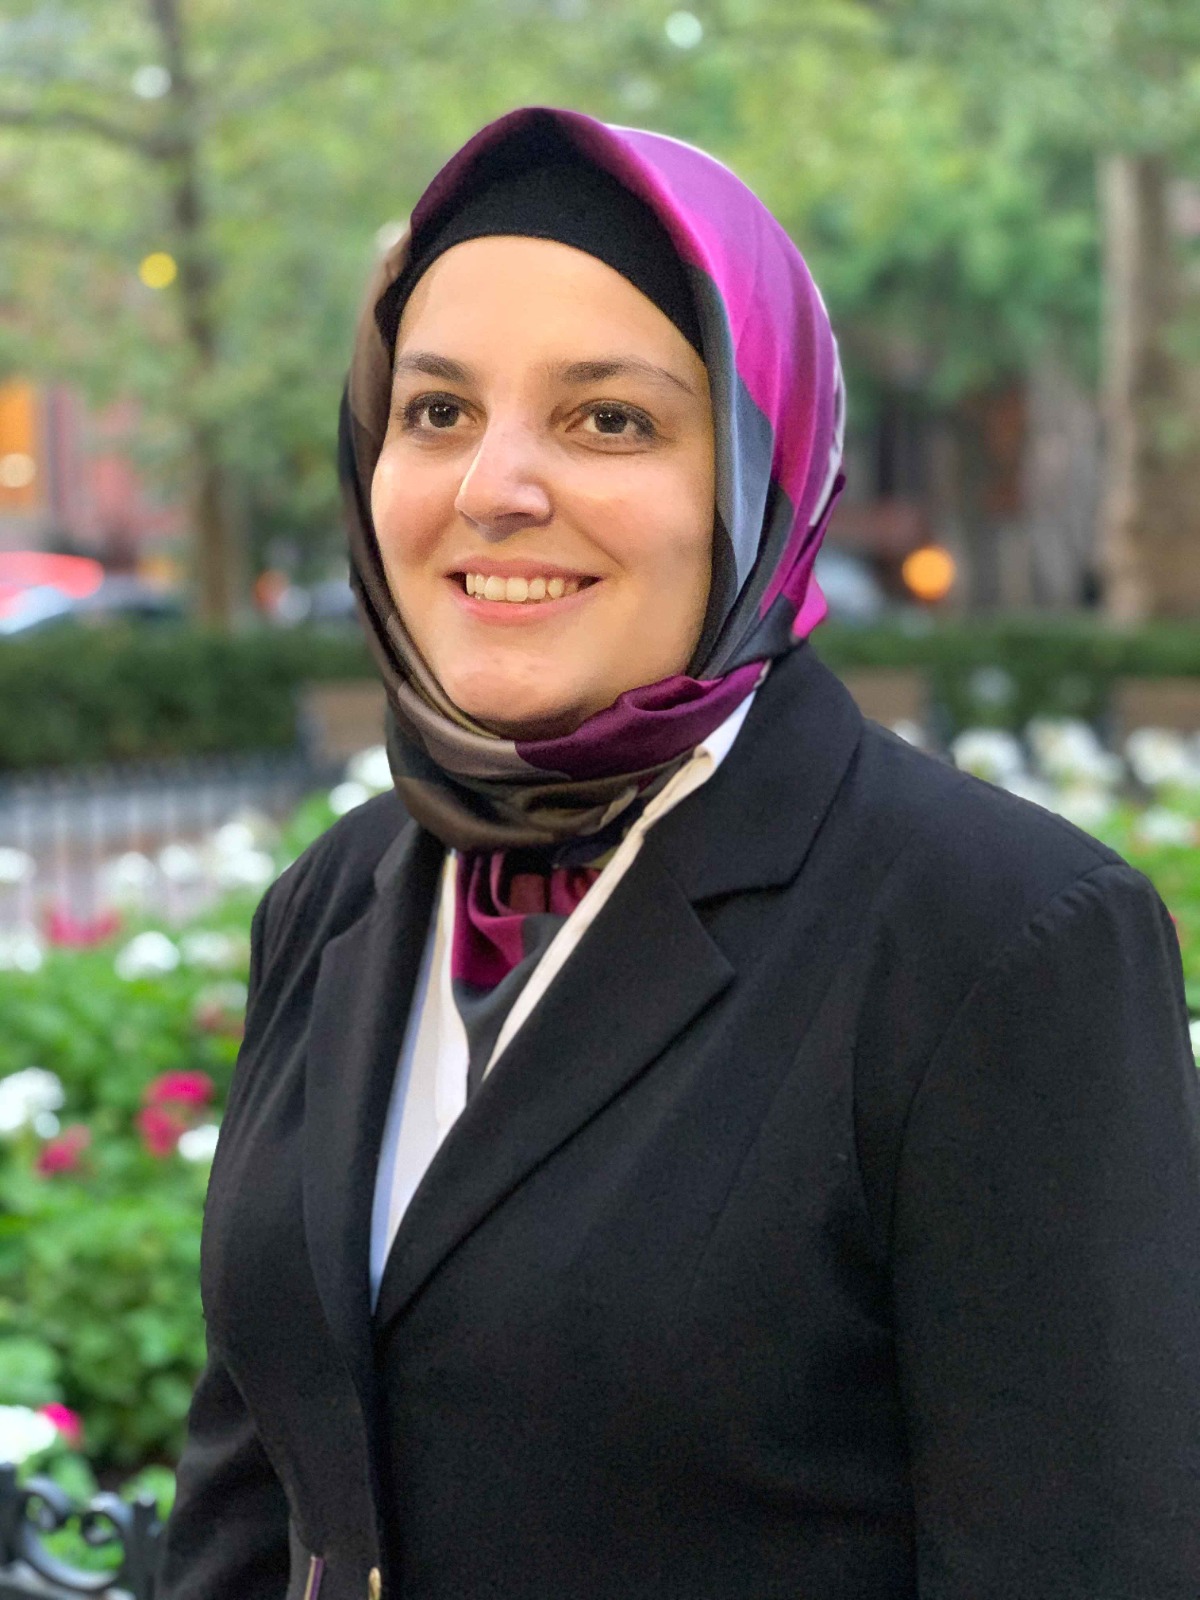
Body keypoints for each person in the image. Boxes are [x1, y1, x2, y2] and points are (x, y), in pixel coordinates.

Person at [157, 107, 1200, 1600]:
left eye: (609, 419)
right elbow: (254, 1505)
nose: (492, 487)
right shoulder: (334, 901)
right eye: (437, 410)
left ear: (760, 477)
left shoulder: (1001, 941)